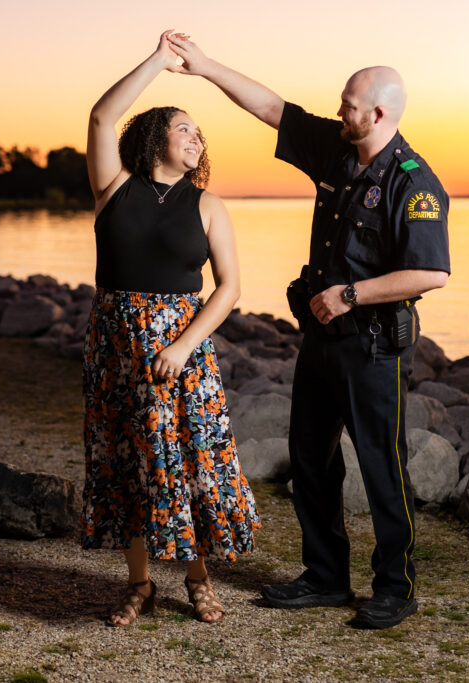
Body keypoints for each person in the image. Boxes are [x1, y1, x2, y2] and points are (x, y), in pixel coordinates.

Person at [168, 35, 450, 629]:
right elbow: (275, 109)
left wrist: (350, 294)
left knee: (382, 466)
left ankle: (395, 589)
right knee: (310, 459)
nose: (338, 107)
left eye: (348, 102)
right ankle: (324, 577)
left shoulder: (413, 182)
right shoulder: (336, 150)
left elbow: (432, 272)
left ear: (377, 113)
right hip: (322, 343)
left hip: (374, 346)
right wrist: (205, 67)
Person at [82, 30, 261, 626]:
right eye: (185, 127)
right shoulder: (113, 189)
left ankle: (198, 579)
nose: (197, 138)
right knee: (127, 459)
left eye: (201, 133)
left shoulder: (208, 204)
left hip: (182, 349)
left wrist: (183, 345)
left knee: (191, 461)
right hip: (116, 344)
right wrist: (160, 60)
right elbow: (103, 116)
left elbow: (230, 288)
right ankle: (139, 584)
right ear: (157, 136)